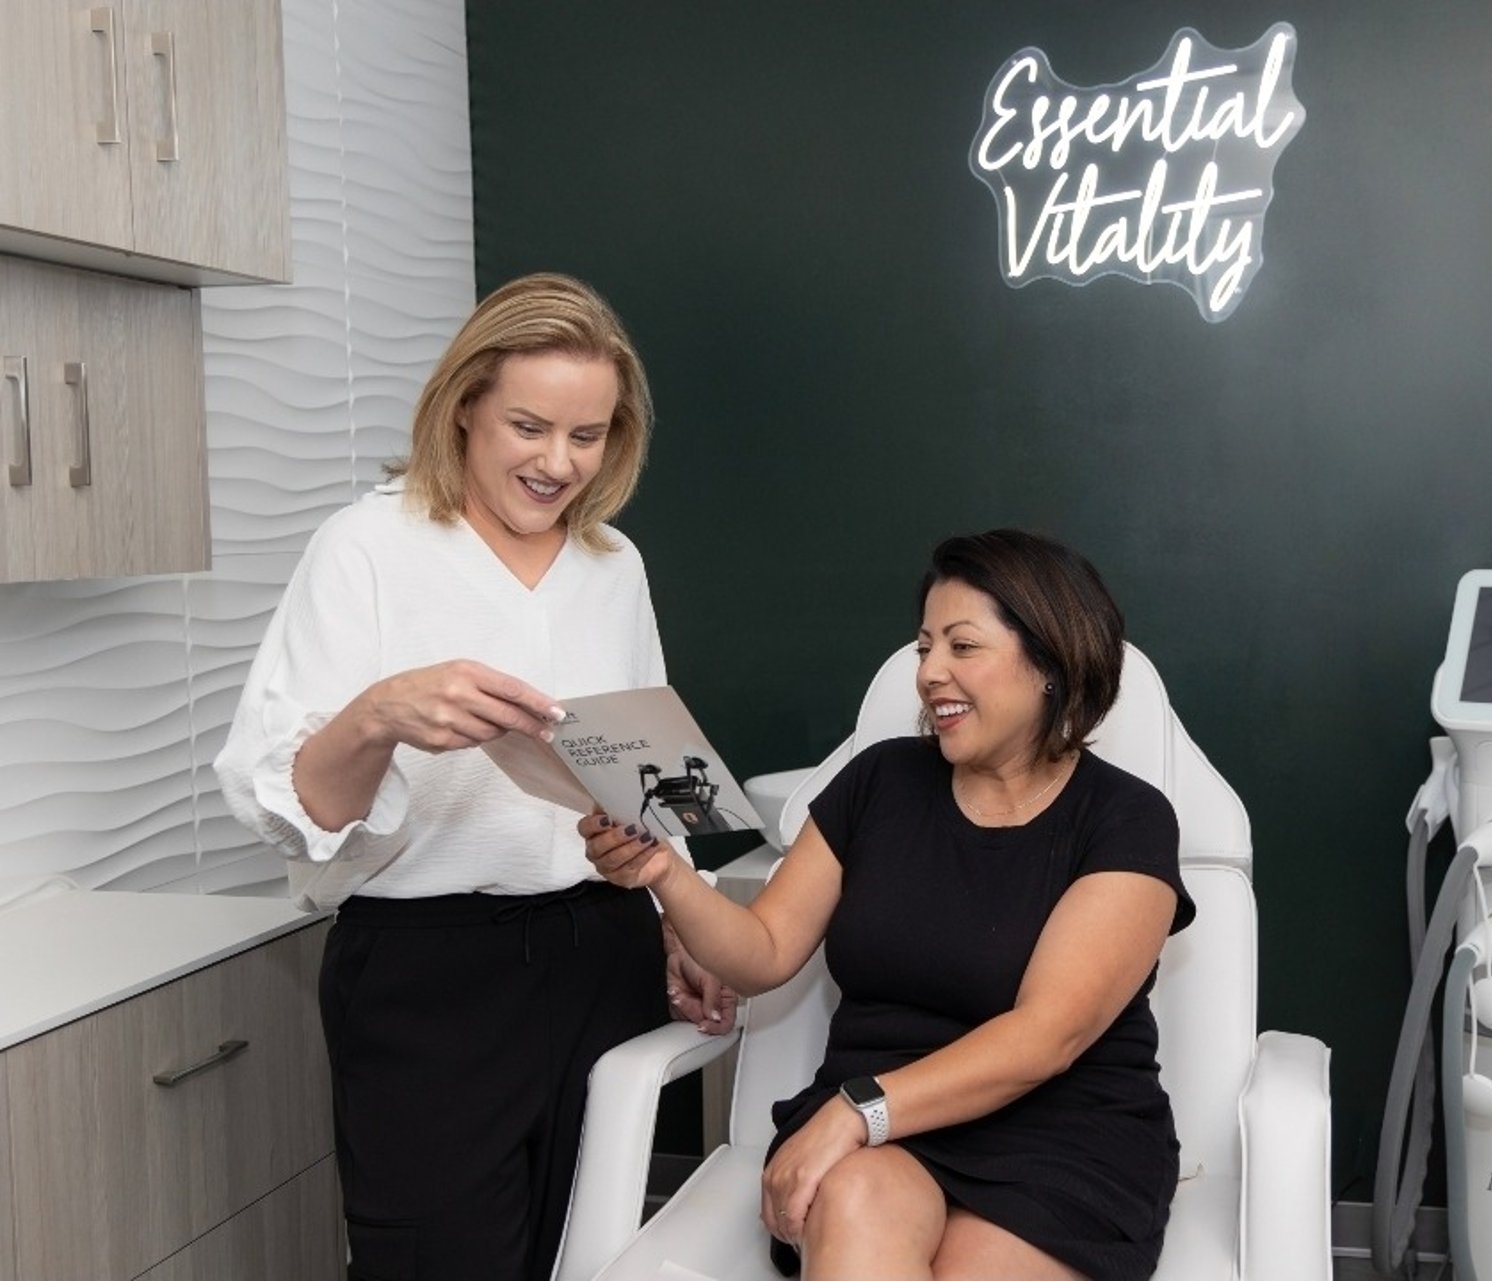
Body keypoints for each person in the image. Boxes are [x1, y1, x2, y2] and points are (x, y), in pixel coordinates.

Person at [214, 273, 734, 1281]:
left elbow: (648, 763)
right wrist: (381, 714)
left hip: (603, 955)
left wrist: (682, 914)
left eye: (587, 437)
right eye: (528, 427)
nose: (557, 463)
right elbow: (288, 810)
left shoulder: (613, 562)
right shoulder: (366, 546)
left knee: (590, 1256)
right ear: (463, 406)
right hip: (427, 976)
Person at [583, 529, 1195, 1281]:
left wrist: (855, 1109)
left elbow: (1047, 1036)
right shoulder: (880, 781)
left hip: (1060, 1133)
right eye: (924, 647)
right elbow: (764, 948)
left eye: (962, 647)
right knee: (858, 1205)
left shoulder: (1125, 818)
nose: (931, 672)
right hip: (881, 1137)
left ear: (1050, 662)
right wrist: (662, 873)